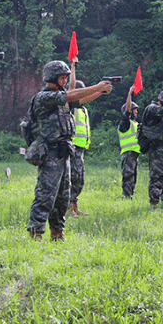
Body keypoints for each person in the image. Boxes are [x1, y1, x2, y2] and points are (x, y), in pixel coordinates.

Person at [27, 60, 112, 241]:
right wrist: (96, 86)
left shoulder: (60, 98)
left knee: (63, 196)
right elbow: (71, 96)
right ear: (52, 78)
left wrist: (99, 91)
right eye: (62, 78)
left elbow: (79, 100)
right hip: (49, 152)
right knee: (45, 194)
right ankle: (36, 232)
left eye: (66, 78)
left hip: (63, 152)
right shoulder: (45, 97)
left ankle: (57, 233)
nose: (65, 81)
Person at [68, 77, 104, 216]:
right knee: (72, 177)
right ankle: (68, 208)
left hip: (80, 148)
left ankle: (74, 205)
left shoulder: (83, 109)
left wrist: (101, 91)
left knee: (79, 177)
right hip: (72, 147)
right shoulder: (70, 106)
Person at [118, 85, 141, 199]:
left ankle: (130, 196)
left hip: (134, 153)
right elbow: (127, 113)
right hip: (128, 153)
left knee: (133, 176)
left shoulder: (135, 124)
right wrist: (129, 94)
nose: (136, 111)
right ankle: (126, 197)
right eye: (134, 109)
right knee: (128, 175)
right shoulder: (125, 123)